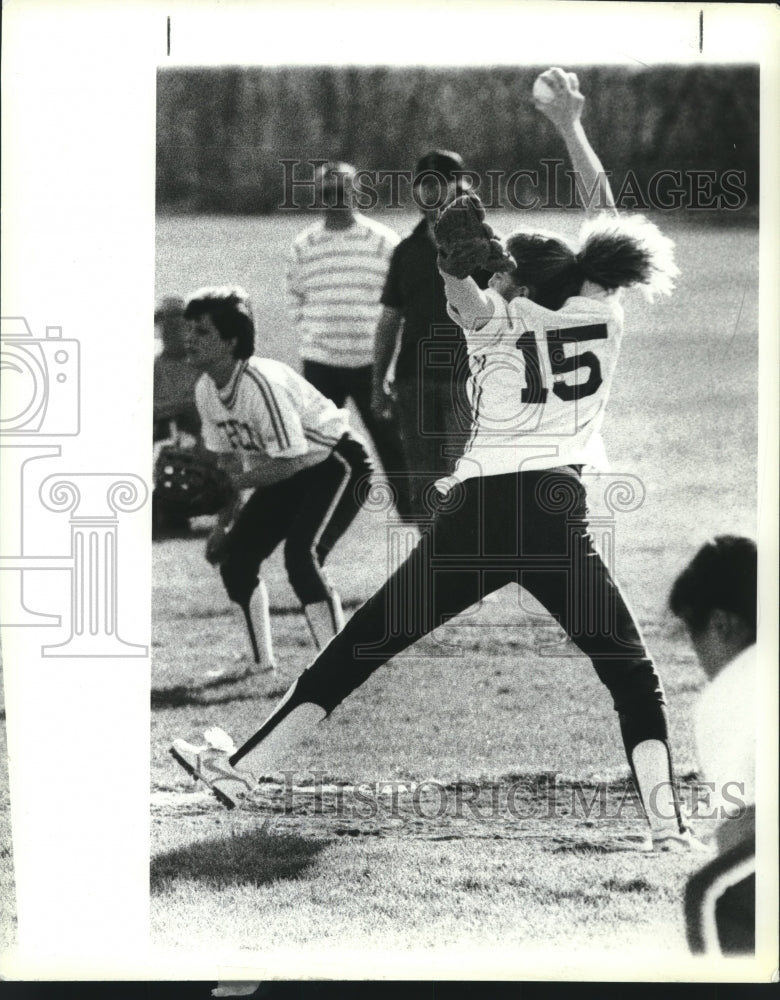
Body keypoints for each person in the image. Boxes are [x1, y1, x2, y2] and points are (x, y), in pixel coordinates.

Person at [171, 69, 701, 852]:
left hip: (481, 517)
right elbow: (608, 220)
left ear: (517, 279)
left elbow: (462, 288)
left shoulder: (494, 317)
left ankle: (245, 772)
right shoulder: (601, 314)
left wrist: (459, 262)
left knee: (364, 645)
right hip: (560, 515)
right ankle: (666, 824)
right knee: (631, 675)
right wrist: (569, 126)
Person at [182, 285, 373, 668]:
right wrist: (222, 528)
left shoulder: (258, 383)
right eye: (189, 329)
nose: (188, 338)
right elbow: (232, 468)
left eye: (202, 331)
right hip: (290, 470)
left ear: (231, 340)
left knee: (302, 558)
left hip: (337, 464)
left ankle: (337, 669)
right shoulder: (207, 389)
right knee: (235, 560)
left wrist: (232, 486)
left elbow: (292, 460)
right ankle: (262, 667)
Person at [372, 150, 490, 525]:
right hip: (414, 380)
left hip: (467, 379)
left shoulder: (486, 245)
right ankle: (433, 566)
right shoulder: (406, 251)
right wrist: (377, 383)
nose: (433, 192)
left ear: (460, 186)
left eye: (441, 183)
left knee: (463, 475)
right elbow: (390, 321)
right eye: (425, 184)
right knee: (423, 479)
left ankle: (468, 561)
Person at [287, 161, 410, 520]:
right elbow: (294, 296)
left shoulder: (383, 241)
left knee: (392, 444)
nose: (334, 199)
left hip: (373, 363)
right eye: (327, 192)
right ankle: (309, 515)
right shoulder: (304, 245)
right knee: (315, 443)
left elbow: (400, 302)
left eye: (342, 191)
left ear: (356, 193)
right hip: (321, 362)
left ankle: (416, 515)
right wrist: (314, 334)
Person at [669, 536, 757, 955]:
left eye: (694, 635)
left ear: (722, 624)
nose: (698, 655)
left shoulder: (735, 686)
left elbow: (745, 830)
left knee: (712, 895)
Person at [153, 295, 203, 536]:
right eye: (167, 324)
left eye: (178, 323)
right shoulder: (151, 365)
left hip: (196, 442)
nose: (172, 330)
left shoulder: (202, 363)